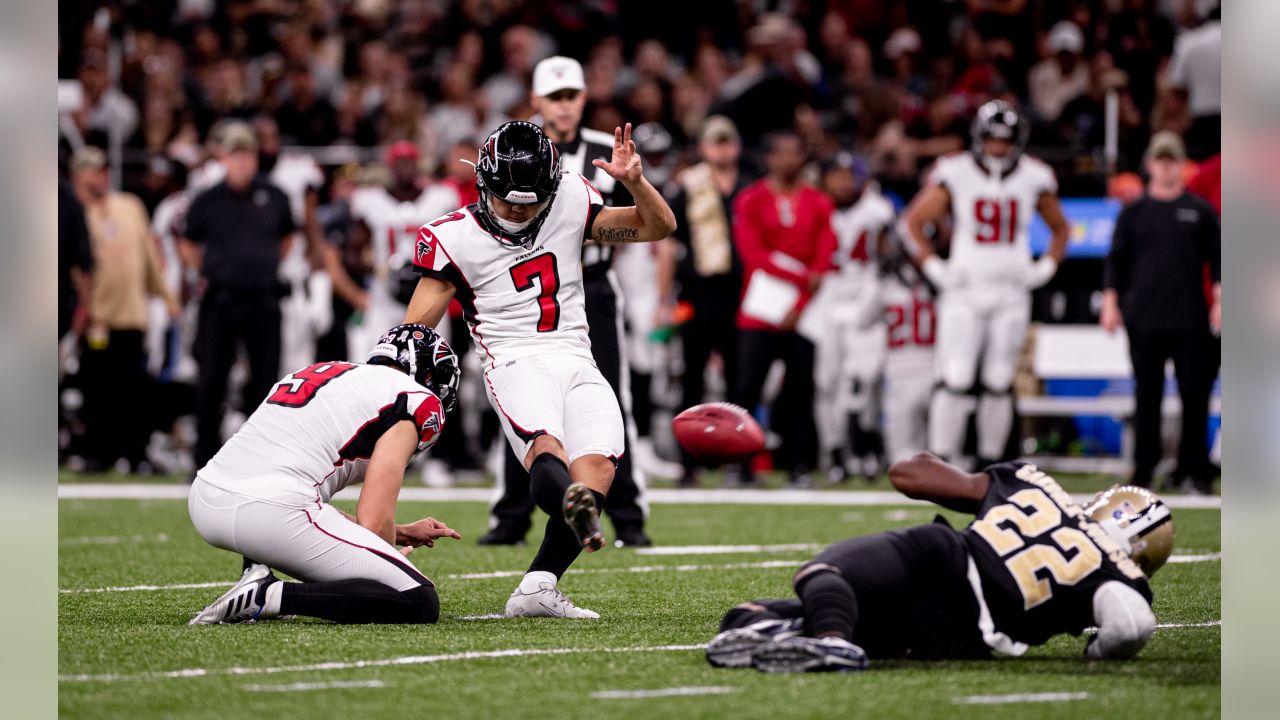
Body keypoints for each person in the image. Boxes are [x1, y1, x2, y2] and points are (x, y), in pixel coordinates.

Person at [402, 120, 676, 618]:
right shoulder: (453, 237)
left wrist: (635, 181)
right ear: (483, 183)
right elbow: (414, 330)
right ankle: (571, 511)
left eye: (532, 201)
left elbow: (657, 226)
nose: (521, 211)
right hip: (513, 359)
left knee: (600, 467)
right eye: (510, 202)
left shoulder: (570, 196)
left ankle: (538, 586)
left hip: (576, 354)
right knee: (545, 447)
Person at [706, 454, 1171, 671]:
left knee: (822, 574)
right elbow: (1131, 626)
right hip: (964, 637)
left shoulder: (1036, 490)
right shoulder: (1119, 579)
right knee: (748, 616)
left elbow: (907, 474)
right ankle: (795, 633)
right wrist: (1096, 652)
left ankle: (830, 642)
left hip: (944, 562)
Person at [480, 56, 652, 549]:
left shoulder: (607, 149)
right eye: (554, 97)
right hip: (520, 295)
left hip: (588, 289)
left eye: (571, 95)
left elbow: (641, 222)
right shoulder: (513, 147)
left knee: (611, 403)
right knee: (522, 407)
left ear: (583, 97)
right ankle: (510, 516)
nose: (563, 105)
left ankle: (627, 516)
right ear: (536, 100)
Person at [187, 324, 461, 625]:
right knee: (417, 598)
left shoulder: (325, 371)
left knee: (294, 496)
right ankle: (270, 595)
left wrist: (401, 532)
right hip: (270, 512)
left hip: (206, 499)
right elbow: (373, 518)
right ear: (429, 376)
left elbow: (308, 502)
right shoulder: (416, 400)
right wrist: (384, 562)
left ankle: (255, 573)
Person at [902, 100, 1070, 469]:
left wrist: (1045, 267)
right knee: (956, 375)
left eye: (1005, 141)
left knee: (998, 379)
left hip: (1011, 290)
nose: (998, 148)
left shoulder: (1034, 176)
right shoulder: (956, 171)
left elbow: (1062, 229)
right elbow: (913, 222)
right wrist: (933, 267)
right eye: (992, 140)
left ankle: (990, 464)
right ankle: (941, 461)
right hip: (964, 288)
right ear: (979, 139)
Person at [1101, 131, 1220, 493]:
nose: (1166, 167)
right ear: (1150, 164)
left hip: (1191, 319)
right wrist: (1110, 304)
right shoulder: (1134, 213)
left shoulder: (1199, 211)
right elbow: (1116, 262)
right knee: (1146, 396)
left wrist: (1220, 301)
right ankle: (1143, 471)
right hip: (1145, 319)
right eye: (1160, 160)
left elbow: (1218, 262)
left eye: (1172, 161)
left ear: (1182, 166)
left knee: (1195, 397)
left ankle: (1194, 471)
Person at [178, 121, 297, 471]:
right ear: (223, 158)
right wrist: (213, 269)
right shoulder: (208, 198)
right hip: (221, 299)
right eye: (236, 155)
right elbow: (186, 241)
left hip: (263, 297)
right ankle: (204, 461)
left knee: (266, 382)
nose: (243, 162)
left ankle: (261, 462)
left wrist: (262, 264)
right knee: (211, 380)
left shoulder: (275, 195)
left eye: (248, 154)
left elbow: (287, 239)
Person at [730, 131, 837, 487]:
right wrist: (802, 277)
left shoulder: (819, 202)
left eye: (795, 153)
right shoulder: (751, 199)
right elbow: (752, 254)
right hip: (761, 309)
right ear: (769, 158)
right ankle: (739, 466)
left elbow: (824, 255)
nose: (788, 161)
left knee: (800, 390)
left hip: (802, 312)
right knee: (747, 388)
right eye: (782, 153)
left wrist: (802, 298)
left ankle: (799, 465)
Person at [70, 147, 180, 473]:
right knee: (95, 389)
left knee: (134, 389)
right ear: (77, 176)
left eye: (101, 169)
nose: (98, 176)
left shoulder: (129, 206)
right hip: (96, 317)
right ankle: (96, 454)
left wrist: (167, 297)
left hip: (132, 313)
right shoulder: (74, 213)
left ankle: (134, 453)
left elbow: (149, 257)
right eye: (90, 170)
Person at [660, 116, 748, 487]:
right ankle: (688, 464)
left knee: (740, 382)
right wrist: (664, 298)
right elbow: (668, 243)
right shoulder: (688, 187)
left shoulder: (749, 185)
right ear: (704, 147)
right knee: (691, 381)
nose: (722, 149)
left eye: (727, 142)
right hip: (697, 295)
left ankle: (739, 462)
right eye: (716, 143)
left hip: (741, 294)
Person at [808, 152, 895, 482]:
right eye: (837, 175)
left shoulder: (877, 210)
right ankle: (834, 453)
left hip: (865, 295)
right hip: (828, 296)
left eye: (849, 175)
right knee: (826, 381)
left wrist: (878, 296)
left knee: (868, 378)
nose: (844, 182)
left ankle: (869, 445)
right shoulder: (816, 206)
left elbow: (888, 256)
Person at [348, 141, 461, 356]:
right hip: (384, 295)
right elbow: (353, 251)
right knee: (379, 356)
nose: (404, 168)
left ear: (417, 165)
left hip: (429, 288)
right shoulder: (371, 200)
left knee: (433, 358)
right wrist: (376, 269)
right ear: (390, 166)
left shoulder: (440, 198)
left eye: (409, 163)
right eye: (399, 163)